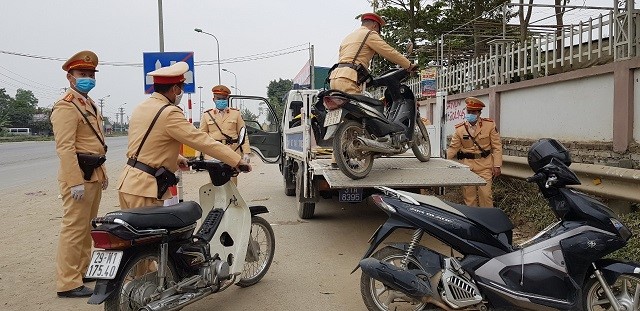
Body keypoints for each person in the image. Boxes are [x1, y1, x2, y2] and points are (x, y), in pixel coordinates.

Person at [117, 62, 251, 209]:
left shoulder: (142, 107)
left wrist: (177, 158)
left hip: (129, 183)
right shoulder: (169, 112)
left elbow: (149, 144)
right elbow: (200, 139)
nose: (181, 92)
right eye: (181, 88)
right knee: (153, 231)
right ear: (175, 89)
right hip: (145, 189)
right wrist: (237, 161)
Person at [51, 50, 108, 297]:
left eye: (90, 74)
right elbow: (65, 148)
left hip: (92, 174)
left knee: (86, 227)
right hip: (78, 178)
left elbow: (95, 143)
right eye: (82, 74)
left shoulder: (89, 103)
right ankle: (68, 282)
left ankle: (82, 270)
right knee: (74, 229)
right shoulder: (65, 106)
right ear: (70, 77)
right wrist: (75, 182)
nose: (87, 78)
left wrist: (102, 174)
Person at [328, 12, 417, 94]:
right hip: (349, 79)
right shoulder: (369, 34)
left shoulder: (349, 37)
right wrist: (408, 65)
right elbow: (389, 52)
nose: (378, 34)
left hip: (334, 78)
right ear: (375, 26)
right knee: (362, 109)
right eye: (379, 30)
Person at [446, 97, 503, 208]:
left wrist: (497, 165)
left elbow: (497, 146)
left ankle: (487, 222)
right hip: (467, 167)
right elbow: (453, 148)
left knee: (486, 196)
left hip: (484, 166)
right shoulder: (460, 129)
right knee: (469, 198)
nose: (470, 114)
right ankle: (473, 222)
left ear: (479, 113)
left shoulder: (489, 125)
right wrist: (442, 161)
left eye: (473, 112)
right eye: (468, 111)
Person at [198, 84, 251, 184]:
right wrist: (198, 155)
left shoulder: (236, 113)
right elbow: (201, 136)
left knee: (232, 181)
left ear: (227, 99)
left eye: (223, 98)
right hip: (214, 152)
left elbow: (243, 133)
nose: (221, 101)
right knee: (214, 182)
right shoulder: (207, 115)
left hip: (232, 151)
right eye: (218, 98)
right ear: (214, 99)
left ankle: (232, 200)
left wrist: (246, 152)